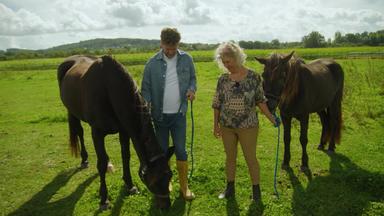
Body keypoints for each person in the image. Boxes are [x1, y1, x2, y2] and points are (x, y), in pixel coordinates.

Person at [212, 41, 279, 201]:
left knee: (250, 158)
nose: (226, 65)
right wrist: (216, 125)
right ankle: (230, 189)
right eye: (223, 61)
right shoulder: (222, 80)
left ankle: (256, 192)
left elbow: (260, 100)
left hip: (248, 126)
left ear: (237, 58)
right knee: (230, 157)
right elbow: (216, 103)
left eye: (229, 61)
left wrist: (272, 118)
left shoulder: (253, 77)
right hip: (227, 126)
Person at [141, 27, 196, 200]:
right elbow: (146, 88)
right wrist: (147, 101)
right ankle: (167, 181)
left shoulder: (187, 59)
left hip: (179, 115)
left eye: (174, 48)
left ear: (178, 44)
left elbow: (193, 79)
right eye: (167, 48)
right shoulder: (151, 64)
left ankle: (184, 188)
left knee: (181, 150)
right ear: (161, 43)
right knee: (163, 152)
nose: (171, 52)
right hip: (160, 117)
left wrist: (191, 90)